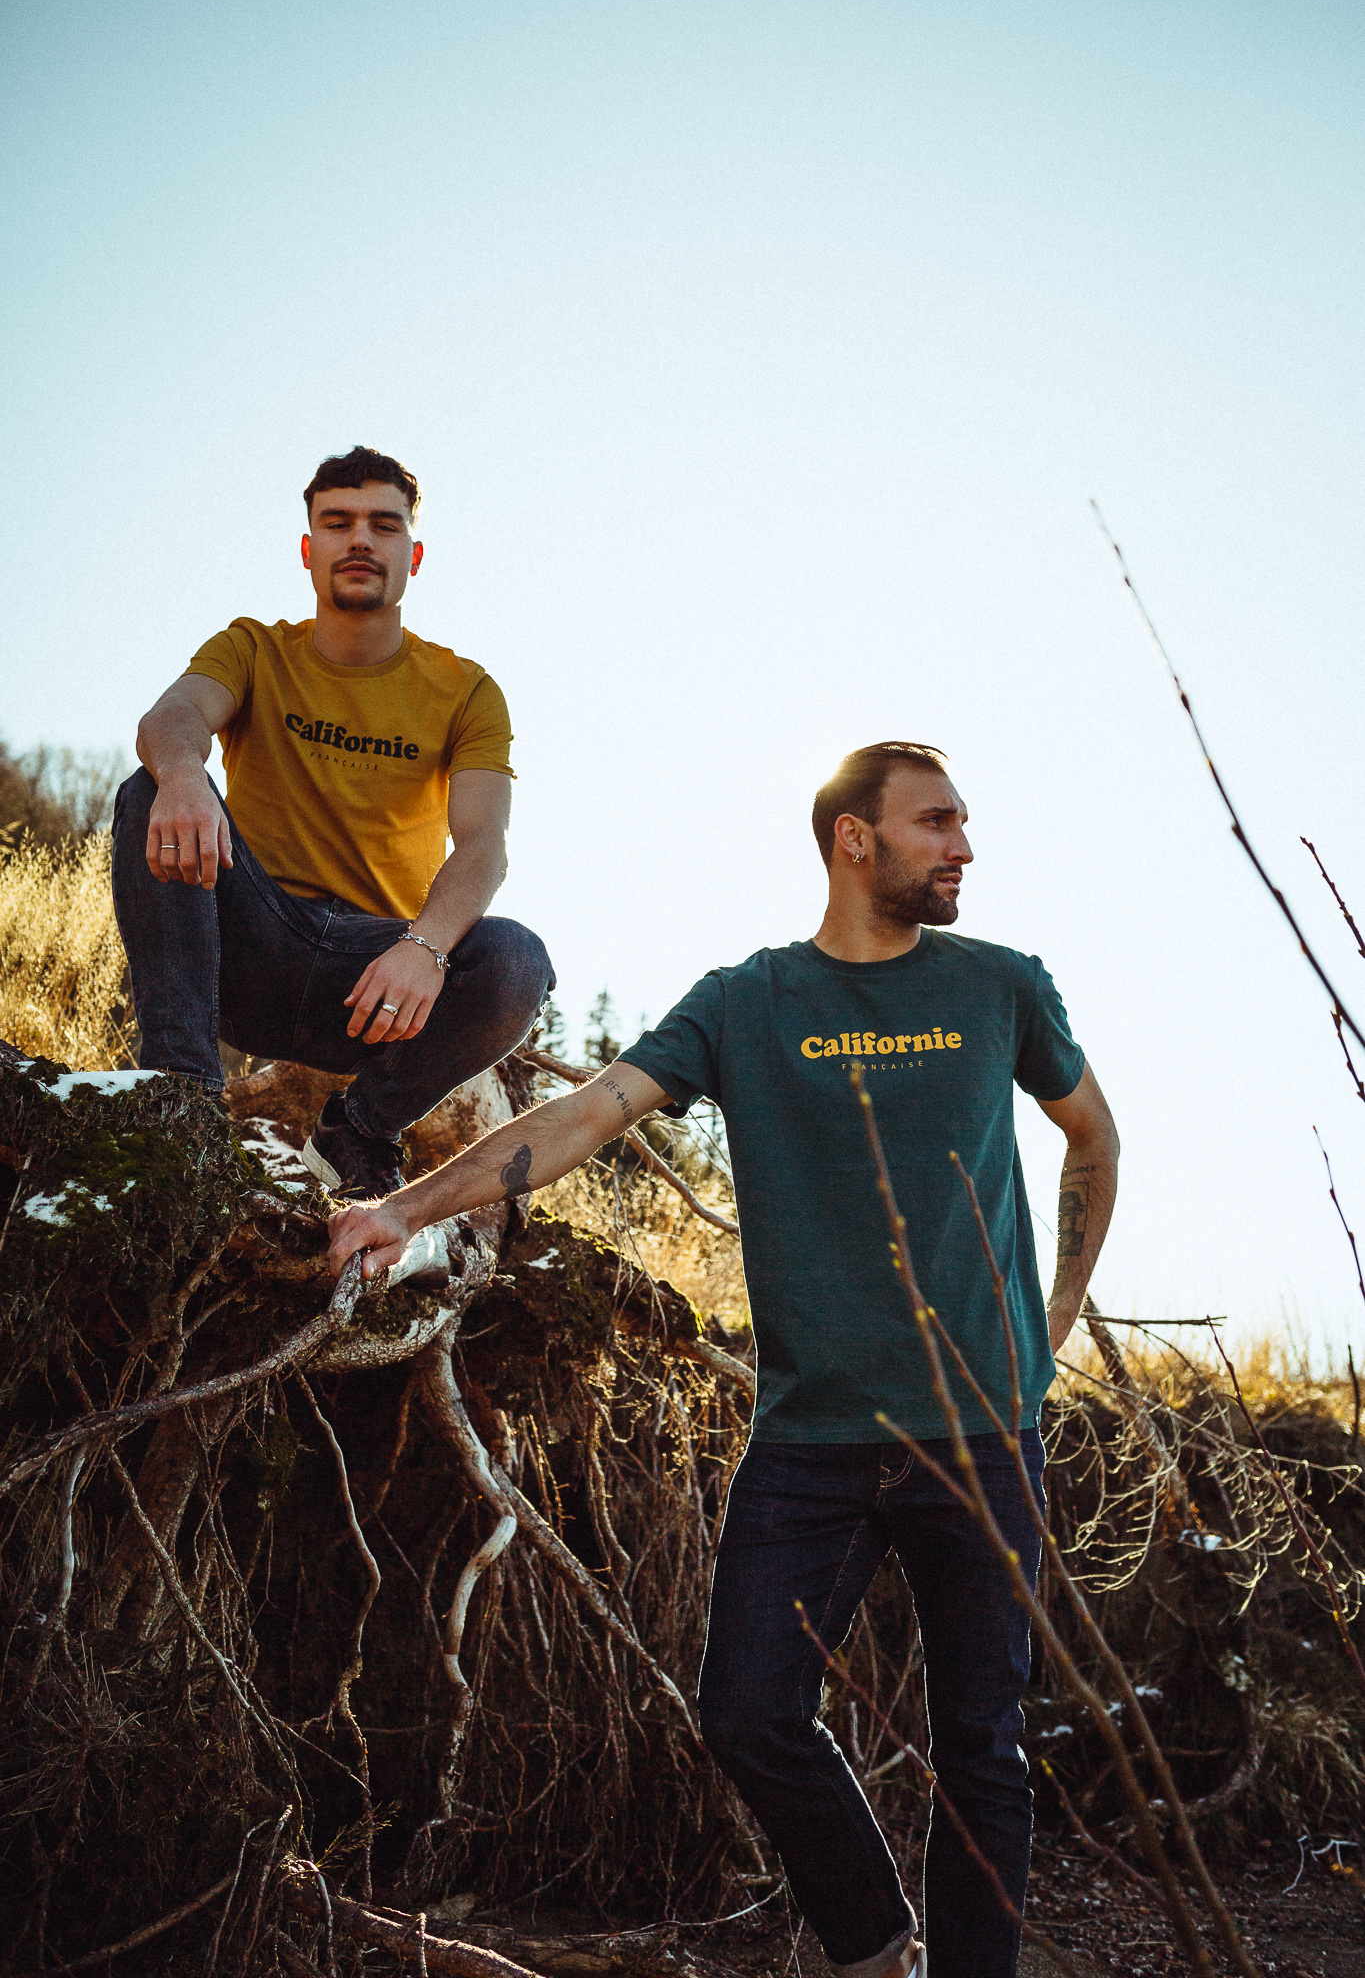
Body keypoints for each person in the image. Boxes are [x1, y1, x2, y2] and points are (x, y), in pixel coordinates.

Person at [327, 741, 1119, 1978]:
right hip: (813, 1440)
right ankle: (877, 1949)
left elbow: (1093, 1136)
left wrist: (1052, 1316)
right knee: (751, 1711)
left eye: (962, 823)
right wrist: (402, 1208)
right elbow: (584, 1114)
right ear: (854, 836)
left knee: (981, 1746)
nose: (963, 846)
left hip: (981, 1432)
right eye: (936, 822)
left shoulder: (1000, 985)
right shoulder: (748, 1000)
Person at [111, 445, 553, 1196]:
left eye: (384, 525)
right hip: (243, 946)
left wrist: (424, 947)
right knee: (147, 787)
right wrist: (183, 775)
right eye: (338, 523)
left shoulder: (466, 691)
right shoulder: (253, 648)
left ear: (413, 556)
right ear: (309, 549)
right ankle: (182, 1096)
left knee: (516, 961)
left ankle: (360, 1128)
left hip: (374, 987)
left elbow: (484, 845)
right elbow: (173, 717)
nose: (360, 540)